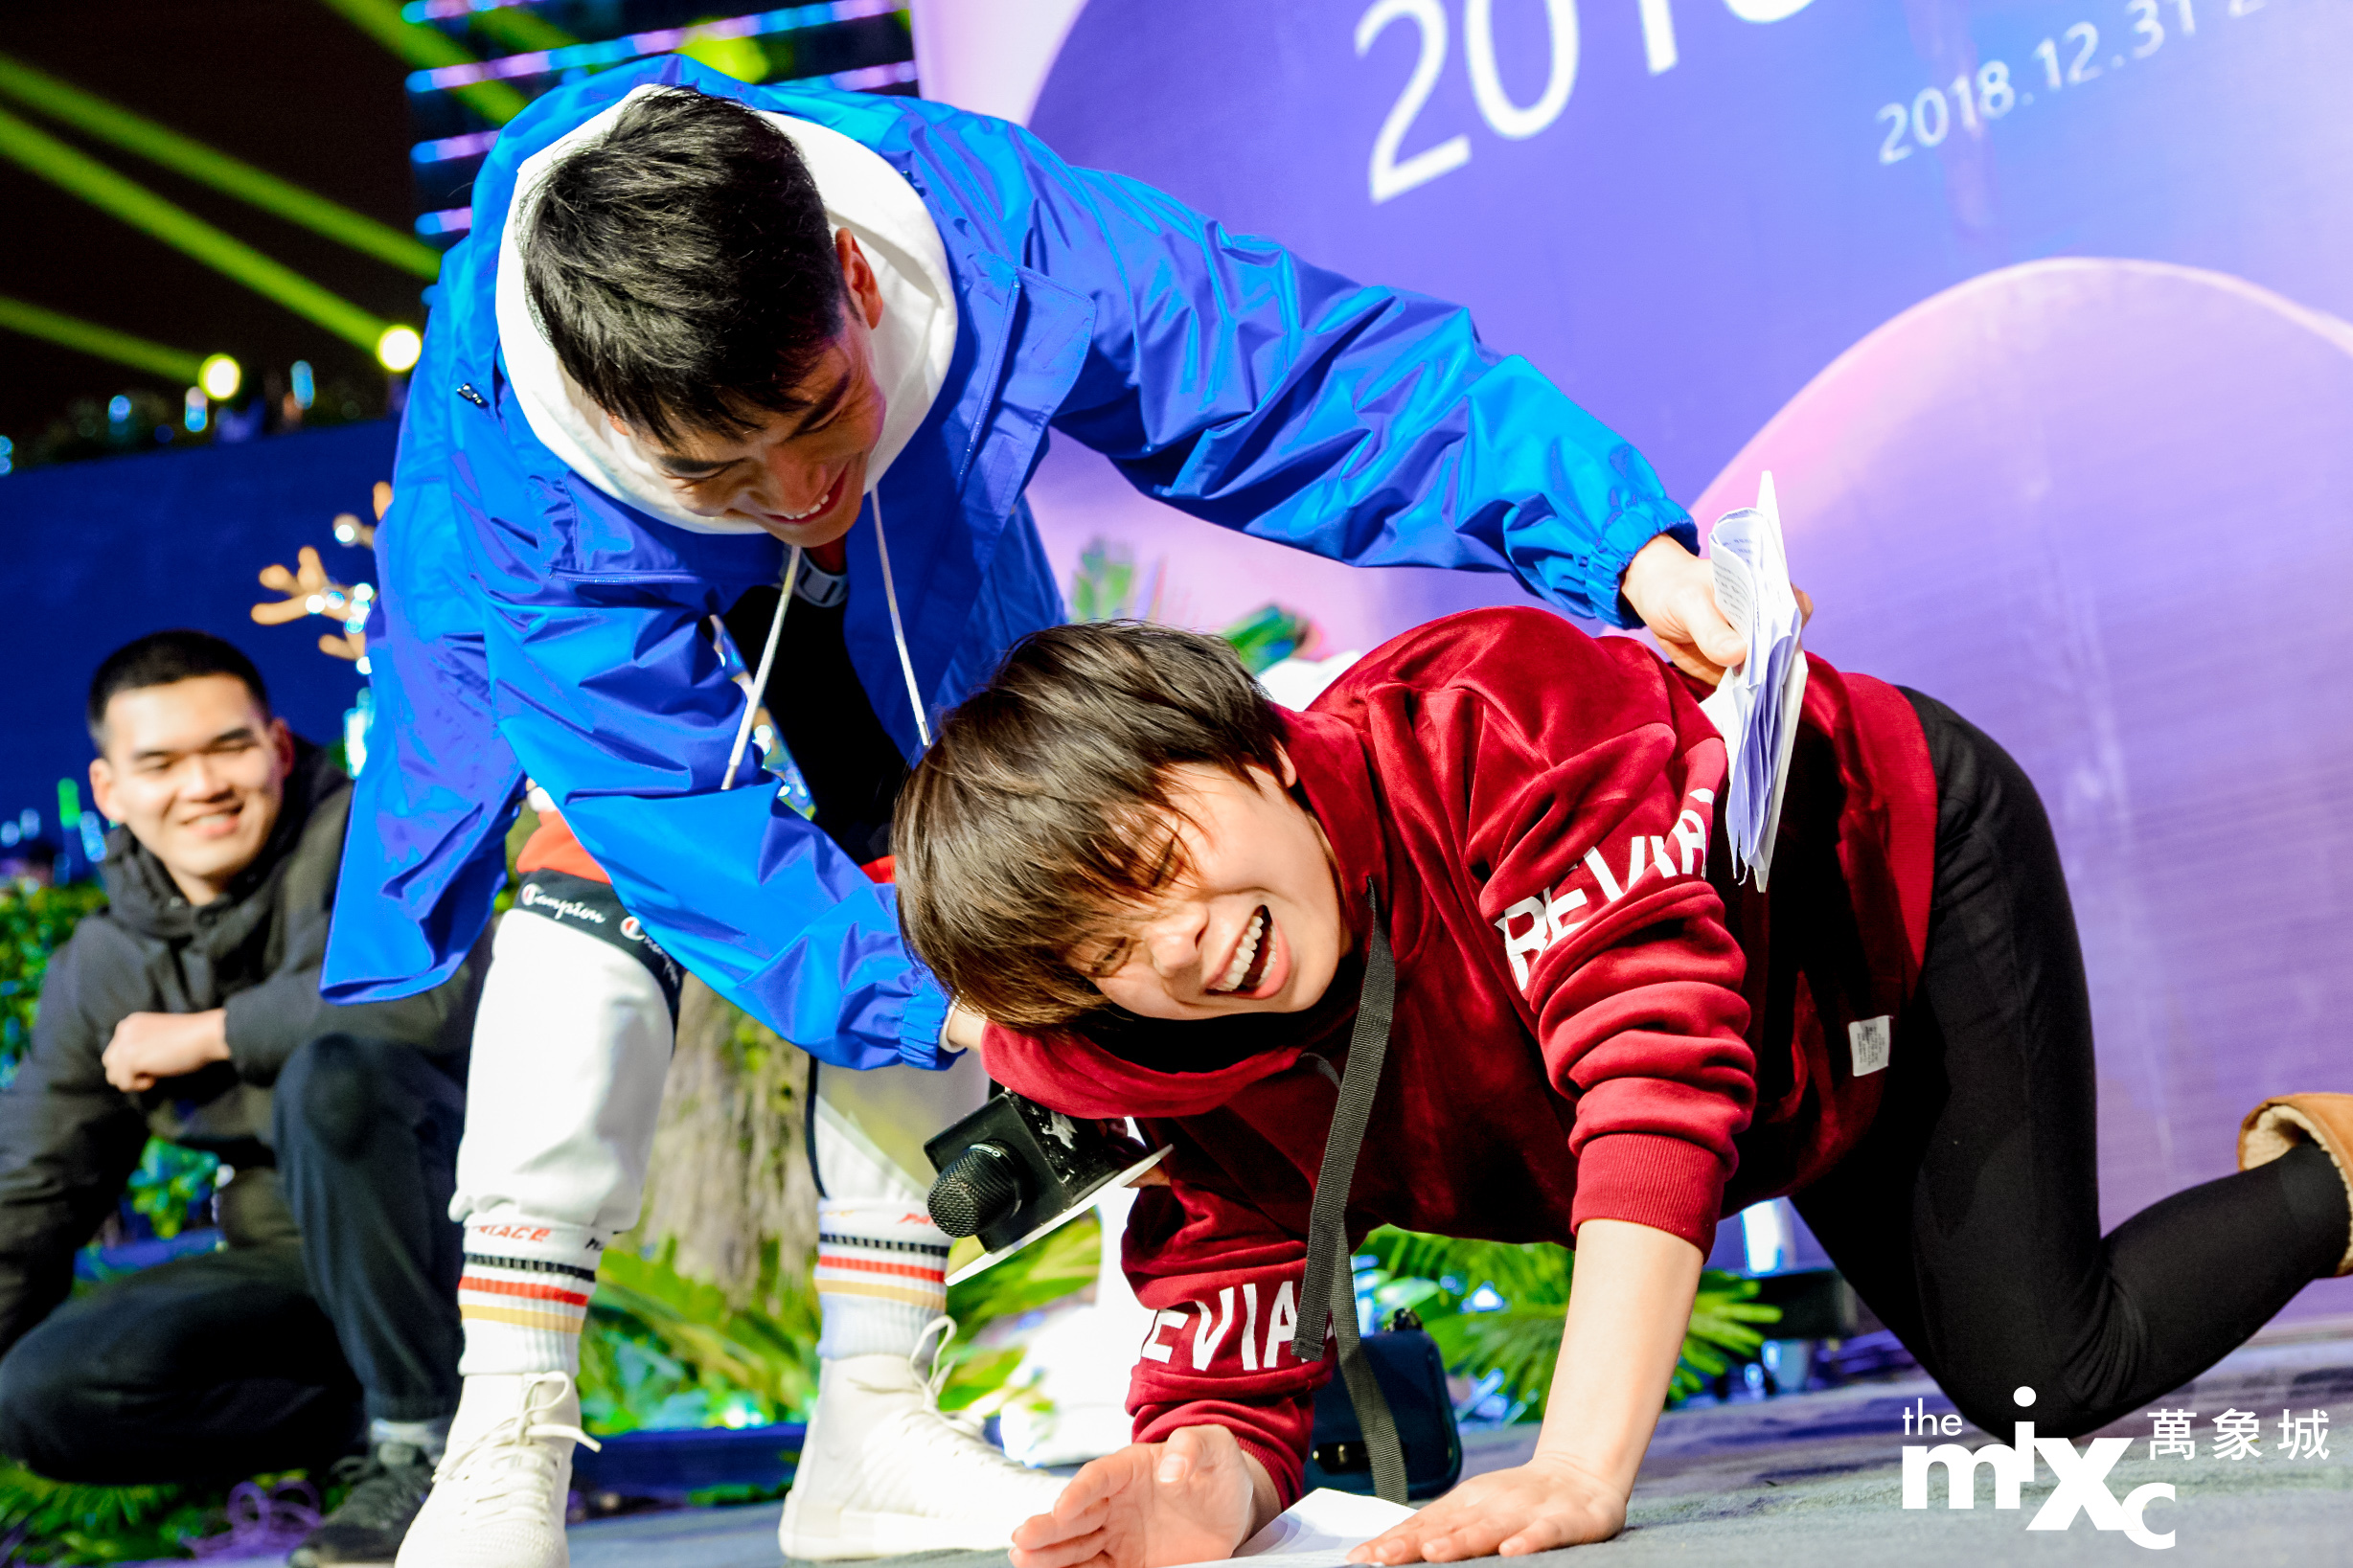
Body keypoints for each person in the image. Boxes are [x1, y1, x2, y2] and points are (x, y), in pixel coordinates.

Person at [327, 58, 1753, 1566]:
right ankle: (505, 1428)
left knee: (986, 862)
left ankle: (875, 1414)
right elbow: (665, 801)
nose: (798, 494)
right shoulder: (534, 464)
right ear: (622, 426)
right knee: (592, 868)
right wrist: (950, 1008)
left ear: (857, 276)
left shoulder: (984, 225)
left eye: (815, 413)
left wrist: (1625, 545)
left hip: (927, 512)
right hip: (579, 573)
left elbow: (1306, 378)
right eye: (723, 467)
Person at [889, 614, 2353, 1567]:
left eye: (1155, 866)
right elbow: (1233, 1324)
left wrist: (1580, 1466)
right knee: (2029, 1376)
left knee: (2048, 1376)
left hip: (1884, 902)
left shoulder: (1487, 720)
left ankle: (2333, 1172)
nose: (1178, 945)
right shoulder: (1180, 1070)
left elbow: (1654, 1068)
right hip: (1769, 1098)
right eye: (1109, 954)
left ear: (1251, 752)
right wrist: (1204, 1478)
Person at [0, 631, 485, 1567]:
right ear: (110, 788)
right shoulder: (105, 962)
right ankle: (401, 1429)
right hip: (291, 1265)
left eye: (228, 747)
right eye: (161, 763)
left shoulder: (376, 841)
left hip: (447, 1235)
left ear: (278, 746)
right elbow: (32, 1189)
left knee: (335, 1074)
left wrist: (212, 1032)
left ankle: (424, 1448)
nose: (203, 785)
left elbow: (430, 991)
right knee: (41, 1392)